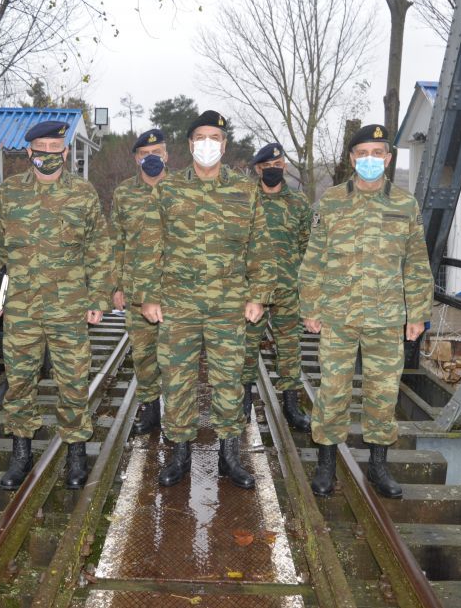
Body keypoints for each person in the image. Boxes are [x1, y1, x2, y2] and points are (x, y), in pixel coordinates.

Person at [0, 120, 113, 491]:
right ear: (29, 152)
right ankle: (21, 453)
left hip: (69, 307)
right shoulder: (11, 192)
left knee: (74, 382)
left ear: (65, 152)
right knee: (19, 382)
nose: (48, 155)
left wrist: (98, 297)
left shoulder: (83, 193)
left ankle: (76, 452)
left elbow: (98, 249)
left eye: (55, 149)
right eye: (41, 149)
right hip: (22, 308)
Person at [141, 110, 274, 490]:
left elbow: (259, 247)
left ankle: (228, 455)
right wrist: (148, 296)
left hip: (228, 305)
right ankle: (179, 453)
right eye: (200, 137)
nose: (207, 144)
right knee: (177, 379)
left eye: (214, 138)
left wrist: (259, 296)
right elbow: (150, 246)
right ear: (189, 144)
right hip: (178, 303)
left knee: (229, 380)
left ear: (225, 145)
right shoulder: (167, 190)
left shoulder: (245, 190)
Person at [300, 124, 432, 499]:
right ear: (352, 159)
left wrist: (417, 313)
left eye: (377, 153)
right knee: (333, 390)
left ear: (388, 159)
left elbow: (417, 263)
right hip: (337, 315)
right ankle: (326, 464)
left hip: (386, 318)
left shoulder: (405, 205)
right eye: (362, 154)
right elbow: (314, 258)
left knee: (382, 393)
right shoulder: (331, 201)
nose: (369, 159)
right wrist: (310, 306)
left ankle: (378, 466)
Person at [239, 143, 311, 431]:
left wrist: (303, 282)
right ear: (258, 169)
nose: (273, 169)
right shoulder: (245, 199)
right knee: (246, 345)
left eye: (278, 164)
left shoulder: (299, 202)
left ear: (285, 167)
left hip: (287, 288)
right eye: (267, 166)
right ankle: (243, 400)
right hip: (253, 290)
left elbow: (307, 245)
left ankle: (291, 404)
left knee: (290, 345)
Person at [111, 128, 168, 436]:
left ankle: (179, 413)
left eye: (157, 152)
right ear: (136, 159)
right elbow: (117, 242)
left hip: (177, 288)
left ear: (167, 155)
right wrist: (117, 286)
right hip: (136, 290)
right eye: (145, 154)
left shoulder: (182, 189)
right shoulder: (124, 193)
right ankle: (151, 409)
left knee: (178, 356)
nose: (151, 158)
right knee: (143, 352)